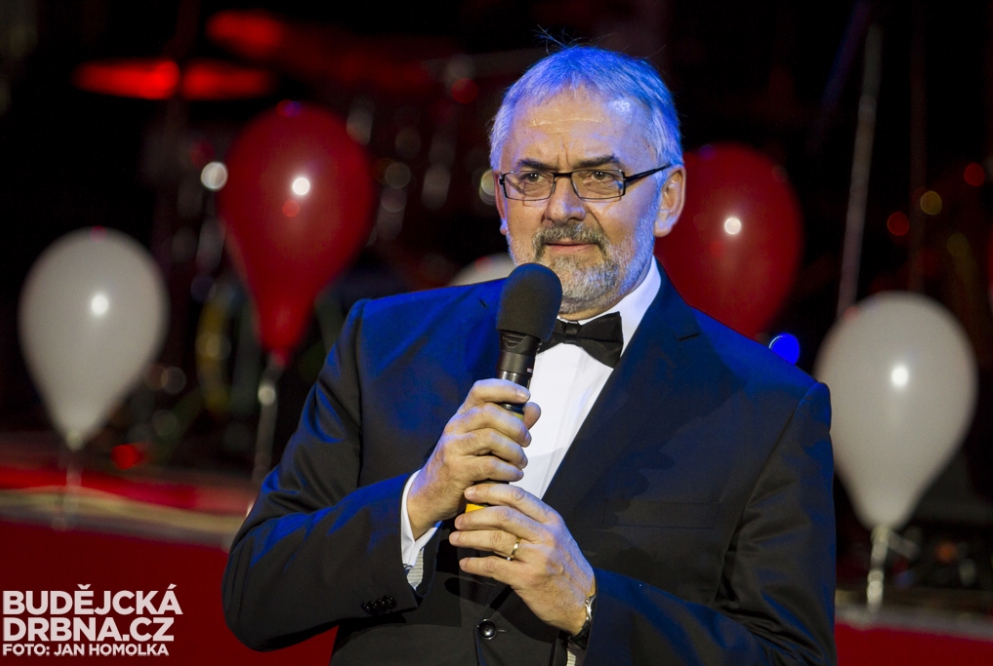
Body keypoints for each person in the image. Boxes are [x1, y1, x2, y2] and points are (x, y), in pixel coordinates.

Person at [223, 46, 836, 666]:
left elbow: (792, 659)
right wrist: (415, 503)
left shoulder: (771, 410)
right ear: (500, 197)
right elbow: (254, 593)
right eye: (533, 178)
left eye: (601, 176)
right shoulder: (382, 342)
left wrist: (591, 605)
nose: (561, 209)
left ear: (669, 198)